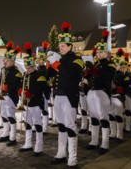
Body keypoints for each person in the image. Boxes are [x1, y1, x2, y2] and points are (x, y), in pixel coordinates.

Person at [47, 22, 85, 168]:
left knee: (70, 126)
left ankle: (73, 158)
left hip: (69, 97)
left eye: (63, 46)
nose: (60, 48)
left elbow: (69, 74)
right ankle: (61, 153)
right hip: (58, 96)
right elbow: (49, 74)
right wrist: (48, 65)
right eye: (60, 46)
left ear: (70, 46)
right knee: (61, 126)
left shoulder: (77, 60)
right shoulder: (60, 60)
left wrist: (55, 63)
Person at [86, 30, 116, 155]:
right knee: (93, 118)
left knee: (103, 118)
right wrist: (87, 71)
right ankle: (94, 141)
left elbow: (106, 77)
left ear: (107, 53)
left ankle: (105, 143)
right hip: (92, 92)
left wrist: (93, 69)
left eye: (101, 52)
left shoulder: (111, 64)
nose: (98, 54)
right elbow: (91, 77)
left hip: (102, 93)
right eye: (97, 52)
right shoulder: (97, 65)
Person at [18, 42, 48, 156]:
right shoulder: (25, 75)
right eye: (26, 67)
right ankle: (28, 143)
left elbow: (41, 89)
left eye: (30, 67)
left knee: (38, 124)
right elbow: (20, 85)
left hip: (35, 103)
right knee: (28, 123)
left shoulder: (39, 75)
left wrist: (31, 94)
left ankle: (39, 146)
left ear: (34, 66)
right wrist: (20, 91)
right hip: (26, 103)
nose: (28, 69)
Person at [0, 42, 22, 147]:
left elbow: (16, 86)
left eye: (6, 60)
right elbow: (0, 80)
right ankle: (5, 134)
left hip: (11, 96)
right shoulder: (3, 69)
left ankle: (13, 137)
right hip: (3, 95)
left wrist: (7, 88)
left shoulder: (17, 72)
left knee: (11, 116)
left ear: (12, 61)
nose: (4, 61)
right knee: (3, 115)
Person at [35, 41, 51, 133]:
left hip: (44, 92)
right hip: (37, 92)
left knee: (44, 109)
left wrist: (46, 93)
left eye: (40, 60)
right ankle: (37, 124)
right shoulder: (37, 69)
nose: (39, 61)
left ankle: (45, 127)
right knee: (37, 109)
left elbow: (47, 81)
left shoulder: (46, 70)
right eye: (38, 59)